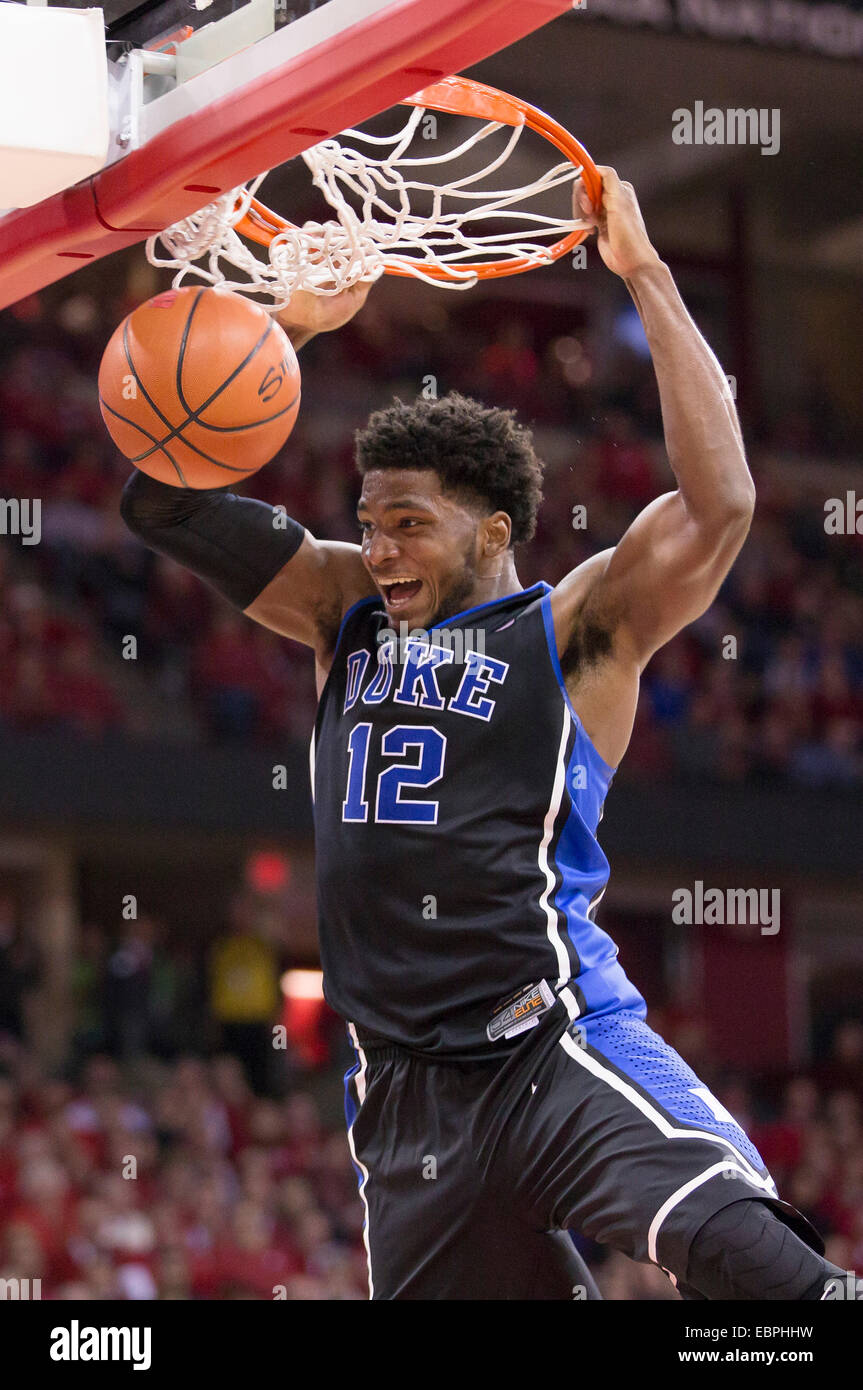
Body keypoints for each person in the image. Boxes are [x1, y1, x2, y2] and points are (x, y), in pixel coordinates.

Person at [121, 168, 843, 1300]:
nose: (382, 550)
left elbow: (721, 506)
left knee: (757, 1270)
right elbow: (156, 501)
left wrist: (643, 272)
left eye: (408, 525)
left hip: (547, 1043)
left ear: (495, 528)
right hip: (404, 1096)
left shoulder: (575, 625)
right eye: (367, 524)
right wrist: (279, 336)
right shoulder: (337, 607)